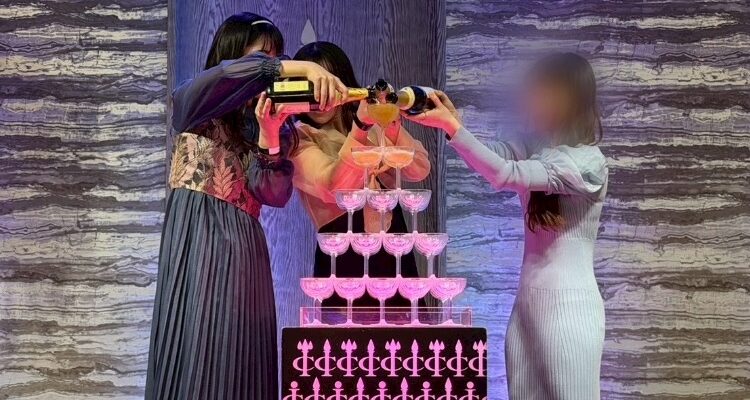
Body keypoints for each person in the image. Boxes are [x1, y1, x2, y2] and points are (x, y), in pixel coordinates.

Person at [145, 13, 347, 400]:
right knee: (198, 344)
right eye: (262, 59)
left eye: (278, 58)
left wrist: (270, 136)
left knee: (238, 352)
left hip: (244, 244)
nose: (271, 70)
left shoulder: (273, 125)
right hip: (199, 236)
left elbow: (273, 194)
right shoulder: (198, 101)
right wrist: (296, 67)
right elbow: (226, 77)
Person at [405, 53, 608, 399]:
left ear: (571, 98)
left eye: (544, 90)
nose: (532, 97)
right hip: (527, 308)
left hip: (570, 309)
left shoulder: (587, 162)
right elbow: (492, 156)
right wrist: (454, 122)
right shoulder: (535, 147)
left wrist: (453, 129)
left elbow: (504, 174)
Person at [279, 41, 430, 313]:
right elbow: (334, 186)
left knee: (407, 337)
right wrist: (360, 127)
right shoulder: (298, 137)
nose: (320, 98)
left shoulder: (371, 125)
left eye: (326, 86)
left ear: (343, 84)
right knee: (344, 339)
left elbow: (419, 168)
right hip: (342, 262)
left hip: (394, 255)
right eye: (310, 88)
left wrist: (389, 118)